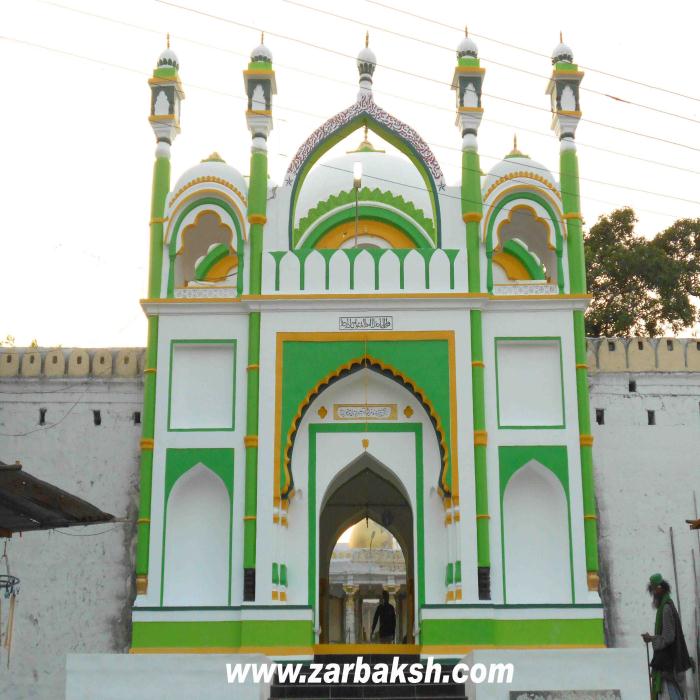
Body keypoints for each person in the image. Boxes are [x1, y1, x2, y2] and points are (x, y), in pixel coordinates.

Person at [642, 573, 692, 700]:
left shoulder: (666, 609)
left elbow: (669, 637)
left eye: (654, 590)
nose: (653, 593)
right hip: (668, 662)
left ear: (660, 589)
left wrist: (652, 639)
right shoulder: (666, 606)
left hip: (670, 664)